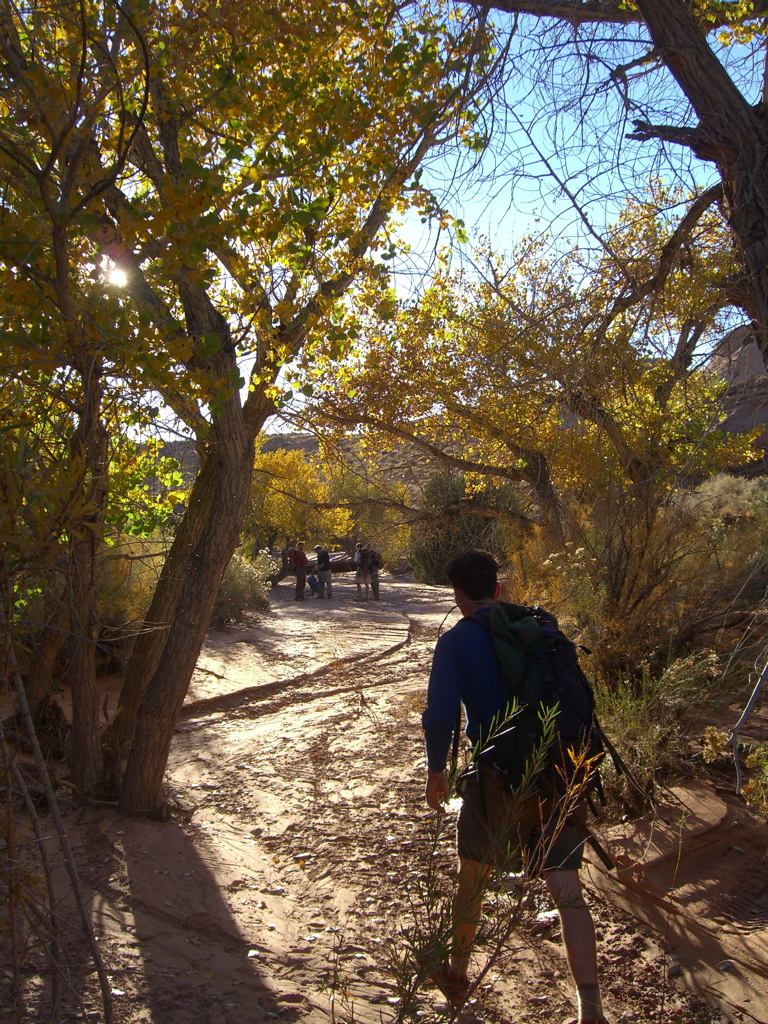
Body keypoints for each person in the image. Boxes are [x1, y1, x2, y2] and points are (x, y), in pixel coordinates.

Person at [422, 550, 608, 1024]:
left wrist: (436, 770)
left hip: (496, 780)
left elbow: (441, 715)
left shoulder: (455, 643)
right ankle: (591, 1008)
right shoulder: (538, 627)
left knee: (473, 881)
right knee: (567, 888)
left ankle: (457, 978)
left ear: (458, 595)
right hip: (559, 771)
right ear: (498, 590)